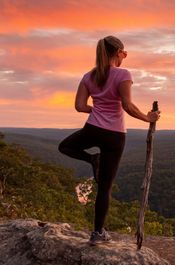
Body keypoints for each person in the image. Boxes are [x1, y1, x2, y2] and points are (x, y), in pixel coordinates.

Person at [58, 35, 160, 245]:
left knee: (65, 146)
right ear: (118, 52)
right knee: (105, 188)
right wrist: (148, 118)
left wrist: (97, 109)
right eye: (125, 52)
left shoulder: (89, 76)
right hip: (114, 135)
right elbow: (127, 106)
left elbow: (79, 106)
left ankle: (91, 159)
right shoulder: (123, 74)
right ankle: (97, 234)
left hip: (93, 128)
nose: (126, 56)